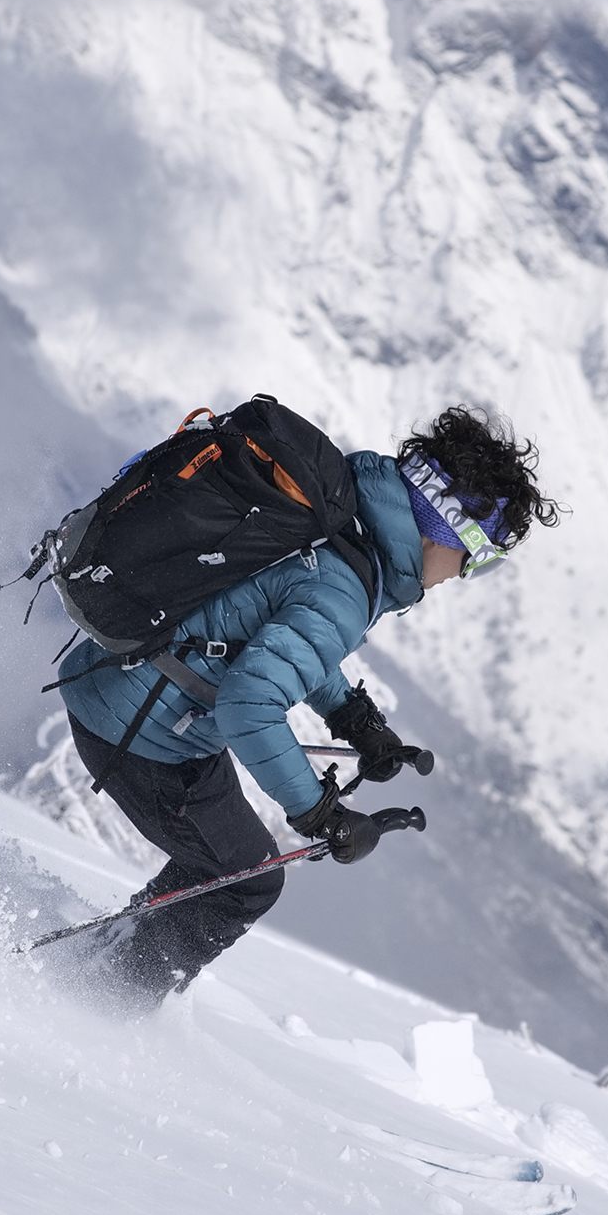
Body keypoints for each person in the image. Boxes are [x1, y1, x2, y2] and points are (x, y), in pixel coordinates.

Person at [52, 405, 559, 1016]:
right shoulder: (345, 586)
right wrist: (321, 815)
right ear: (441, 532)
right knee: (246, 881)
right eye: (479, 558)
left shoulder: (342, 532)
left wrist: (353, 719)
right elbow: (250, 705)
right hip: (140, 734)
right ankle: (95, 1007)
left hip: (137, 700)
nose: (466, 575)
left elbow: (266, 635)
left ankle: (105, 964)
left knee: (223, 867)